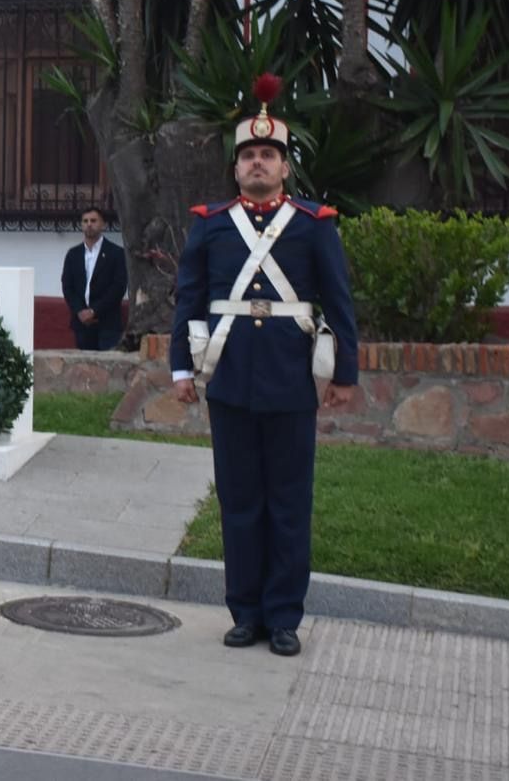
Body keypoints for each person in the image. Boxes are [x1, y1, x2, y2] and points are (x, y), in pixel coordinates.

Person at [169, 76, 358, 658]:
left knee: (289, 503)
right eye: (248, 155)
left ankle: (283, 617)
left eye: (268, 155)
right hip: (229, 380)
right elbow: (188, 297)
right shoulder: (210, 222)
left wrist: (345, 373)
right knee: (240, 502)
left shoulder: (313, 223)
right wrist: (182, 370)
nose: (257, 164)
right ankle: (244, 612)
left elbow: (339, 299)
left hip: (291, 382)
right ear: (236, 168)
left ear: (283, 167)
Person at [61, 205, 127, 350]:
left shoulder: (116, 253)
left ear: (103, 224)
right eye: (85, 221)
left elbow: (118, 287)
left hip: (108, 323)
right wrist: (80, 311)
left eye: (93, 220)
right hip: (82, 324)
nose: (89, 224)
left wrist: (94, 311)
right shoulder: (73, 254)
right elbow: (67, 286)